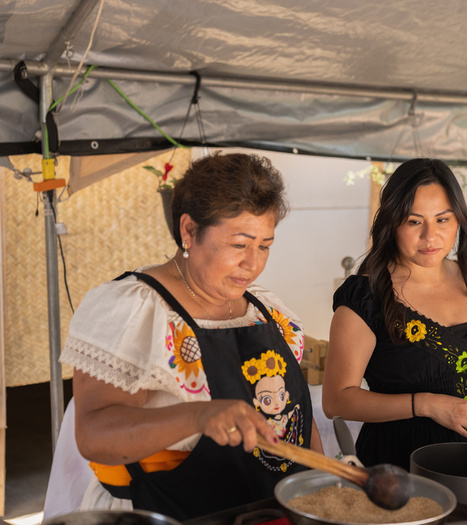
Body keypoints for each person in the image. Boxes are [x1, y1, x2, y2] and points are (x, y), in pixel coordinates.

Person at [60, 153, 323, 521]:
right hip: (168, 512)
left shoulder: (266, 309)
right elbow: (93, 434)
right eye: (239, 244)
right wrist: (199, 415)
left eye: (264, 245)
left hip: (267, 513)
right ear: (189, 230)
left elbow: (299, 416)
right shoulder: (138, 309)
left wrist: (323, 485)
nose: (254, 263)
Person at [322, 158, 467, 470]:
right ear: (392, 223)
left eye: (443, 220)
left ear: (459, 219)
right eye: (413, 221)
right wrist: (426, 405)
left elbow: (462, 364)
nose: (430, 237)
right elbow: (337, 400)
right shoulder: (366, 296)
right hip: (400, 463)